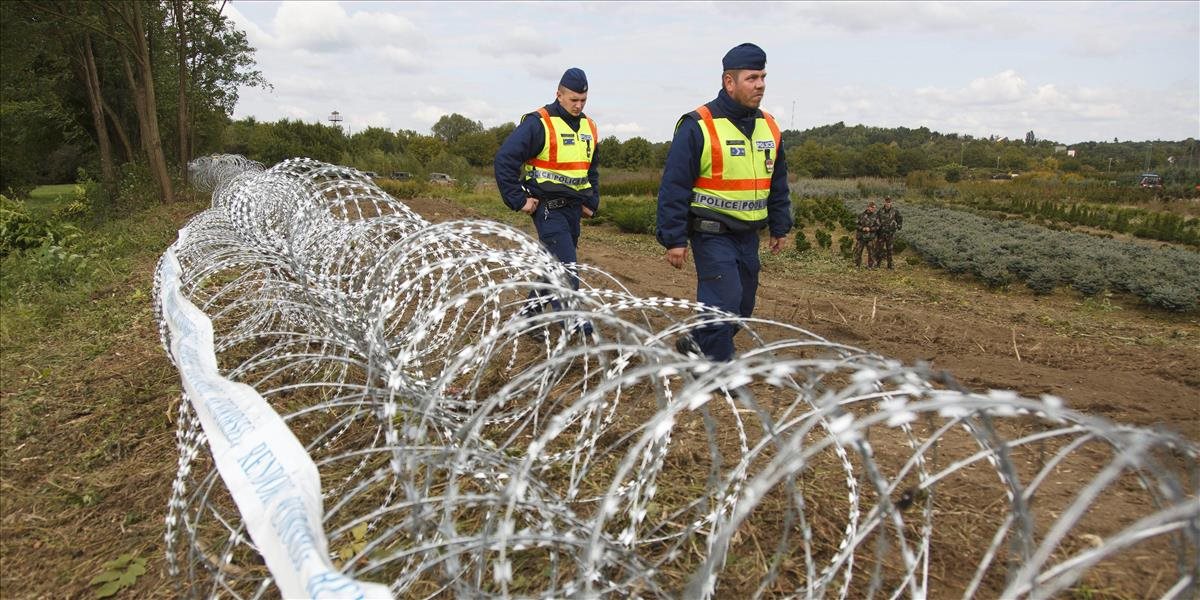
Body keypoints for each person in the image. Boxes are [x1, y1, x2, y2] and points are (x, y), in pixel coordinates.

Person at [656, 43, 792, 362]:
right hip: (711, 232)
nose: (760, 84)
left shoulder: (769, 126)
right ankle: (716, 368)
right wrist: (674, 238)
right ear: (729, 82)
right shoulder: (698, 124)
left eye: (763, 77)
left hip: (748, 236)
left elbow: (779, 182)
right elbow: (674, 185)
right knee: (724, 302)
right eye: (752, 78)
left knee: (743, 307)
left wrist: (780, 225)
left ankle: (696, 342)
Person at [494, 67, 600, 338]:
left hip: (573, 210)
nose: (578, 105)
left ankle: (527, 315)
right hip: (548, 209)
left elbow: (591, 168)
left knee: (553, 265)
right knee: (566, 269)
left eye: (583, 100)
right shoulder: (539, 123)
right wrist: (518, 199)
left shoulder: (589, 127)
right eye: (573, 99)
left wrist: (591, 200)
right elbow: (505, 159)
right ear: (559, 94)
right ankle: (572, 323)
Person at [873, 196, 903, 269]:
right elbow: (876, 219)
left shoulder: (895, 211)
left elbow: (900, 218)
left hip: (890, 234)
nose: (887, 203)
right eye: (886, 202)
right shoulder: (880, 211)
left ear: (891, 202)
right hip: (881, 234)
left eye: (889, 202)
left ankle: (890, 265)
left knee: (890, 249)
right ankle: (878, 264)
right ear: (884, 202)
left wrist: (899, 225)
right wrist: (876, 228)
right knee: (879, 249)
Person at [853, 201, 879, 268]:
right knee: (858, 251)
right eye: (872, 207)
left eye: (874, 208)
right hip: (861, 237)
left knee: (871, 252)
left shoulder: (876, 216)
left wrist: (870, 229)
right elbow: (856, 225)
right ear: (868, 207)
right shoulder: (861, 215)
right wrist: (862, 228)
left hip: (870, 237)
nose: (873, 209)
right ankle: (857, 265)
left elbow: (878, 226)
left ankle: (871, 266)